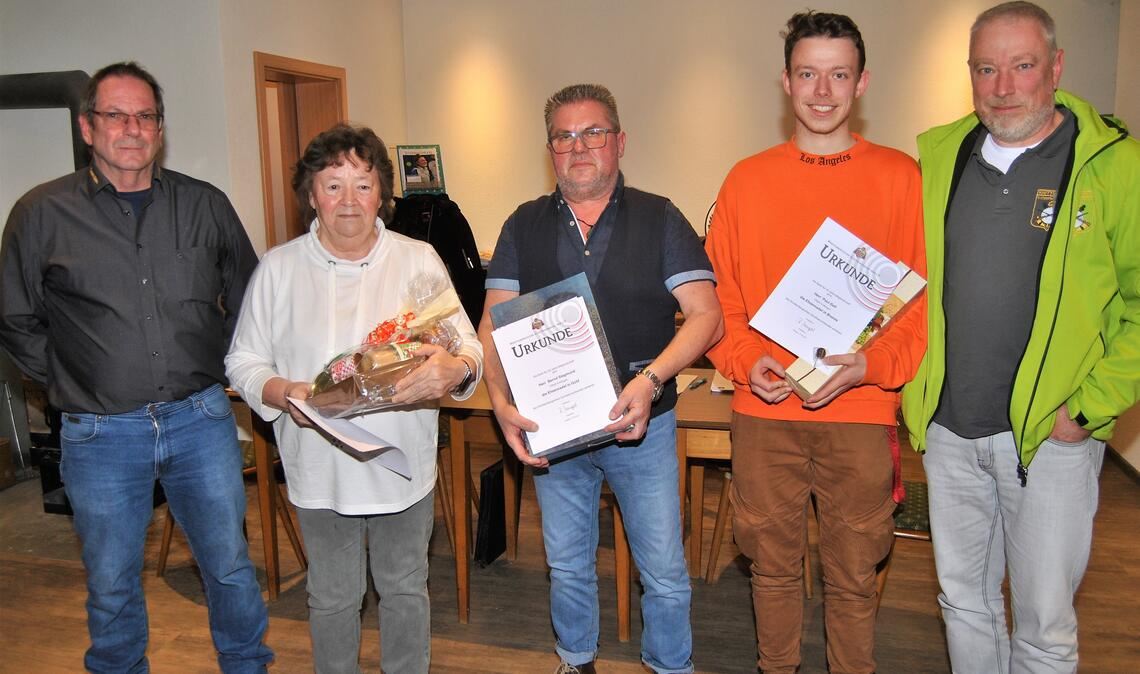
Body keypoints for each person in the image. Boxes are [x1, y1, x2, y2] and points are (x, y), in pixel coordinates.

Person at [0, 62, 272, 672]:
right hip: (100, 435)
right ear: (88, 127)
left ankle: (246, 664)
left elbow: (251, 299)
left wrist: (233, 368)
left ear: (160, 128)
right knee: (112, 580)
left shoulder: (205, 205)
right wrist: (73, 378)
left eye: (144, 116)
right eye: (115, 115)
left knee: (228, 567)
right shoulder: (40, 214)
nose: (131, 128)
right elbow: (14, 317)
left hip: (200, 421)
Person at [900, 2, 1140, 671]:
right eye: (986, 68)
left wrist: (1089, 409)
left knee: (1043, 625)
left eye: (1022, 65)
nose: (1003, 85)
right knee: (963, 603)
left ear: (1055, 68)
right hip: (949, 434)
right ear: (969, 75)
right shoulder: (937, 158)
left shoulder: (1113, 167)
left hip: (1050, 438)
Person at [704, 12, 927, 674]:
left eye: (837, 75)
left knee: (855, 577)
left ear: (862, 83)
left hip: (861, 411)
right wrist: (749, 363)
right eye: (808, 74)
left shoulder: (899, 178)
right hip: (765, 409)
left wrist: (871, 366)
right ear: (785, 82)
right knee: (769, 571)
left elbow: (917, 312)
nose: (822, 91)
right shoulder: (746, 180)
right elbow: (721, 302)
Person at [477, 83, 722, 674]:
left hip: (644, 425)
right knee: (566, 564)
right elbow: (491, 326)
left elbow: (707, 317)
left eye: (593, 133)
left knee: (662, 571)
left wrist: (654, 380)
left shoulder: (660, 216)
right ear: (550, 149)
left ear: (619, 142)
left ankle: (669, 666)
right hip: (553, 432)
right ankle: (575, 661)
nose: (579, 146)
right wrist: (499, 402)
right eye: (565, 136)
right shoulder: (523, 223)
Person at [226, 124, 482, 674]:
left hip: (402, 467)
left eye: (363, 185)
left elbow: (469, 349)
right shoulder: (279, 269)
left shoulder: (417, 261)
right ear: (310, 194)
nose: (349, 201)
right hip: (320, 469)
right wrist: (284, 390)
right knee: (332, 598)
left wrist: (454, 368)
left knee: (406, 592)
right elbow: (243, 361)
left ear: (383, 194)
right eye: (333, 184)